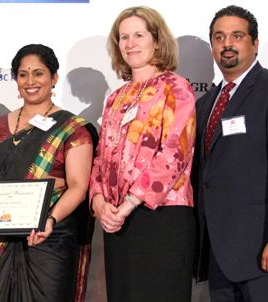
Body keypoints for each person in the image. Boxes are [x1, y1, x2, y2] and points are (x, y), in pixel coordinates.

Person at [0, 44, 98, 302]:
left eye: (39, 73)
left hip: (48, 239)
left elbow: (79, 186)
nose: (30, 81)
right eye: (23, 74)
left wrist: (50, 221)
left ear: (53, 78)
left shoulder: (72, 128)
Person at [192, 5, 268, 301]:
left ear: (255, 44)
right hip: (221, 259)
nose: (227, 44)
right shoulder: (205, 103)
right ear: (212, 48)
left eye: (237, 36)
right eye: (219, 38)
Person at [89, 6, 197, 301]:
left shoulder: (176, 87)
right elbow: (101, 157)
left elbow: (175, 155)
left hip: (161, 216)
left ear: (157, 40)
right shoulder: (116, 97)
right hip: (117, 221)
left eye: (138, 35)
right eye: (123, 37)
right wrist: (99, 202)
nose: (130, 44)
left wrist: (128, 204)